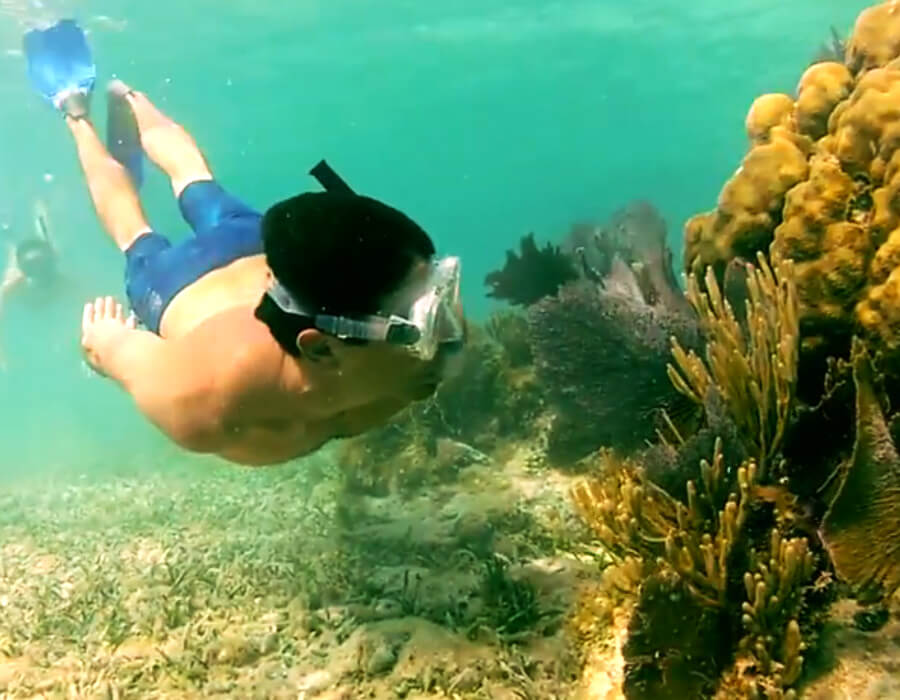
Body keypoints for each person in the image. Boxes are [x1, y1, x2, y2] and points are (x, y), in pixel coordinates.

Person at [23, 20, 466, 466]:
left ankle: (129, 98)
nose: (453, 333)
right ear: (323, 348)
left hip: (254, 248)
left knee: (194, 180)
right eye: (426, 322)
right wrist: (107, 342)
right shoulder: (202, 399)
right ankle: (74, 110)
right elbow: (113, 348)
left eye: (445, 287)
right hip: (175, 285)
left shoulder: (413, 353)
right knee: (131, 226)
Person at [0, 200, 61, 368]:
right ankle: (38, 215)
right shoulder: (14, 285)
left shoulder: (61, 283)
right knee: (15, 252)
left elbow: (83, 298)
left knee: (47, 241)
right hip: (22, 272)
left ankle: (40, 215)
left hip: (43, 268)